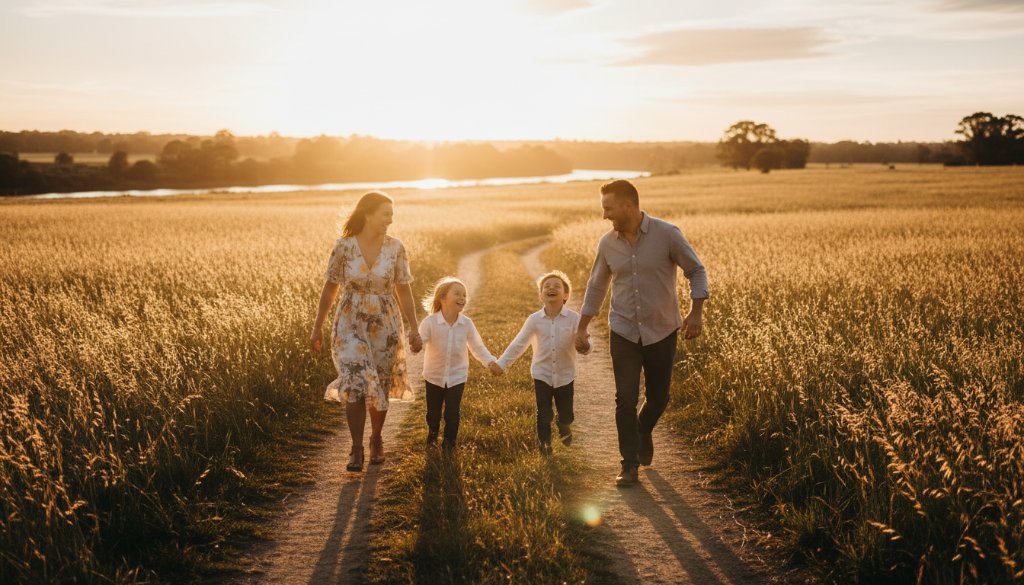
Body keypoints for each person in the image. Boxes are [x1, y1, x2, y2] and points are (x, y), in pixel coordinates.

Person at [575, 180, 708, 487]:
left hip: (662, 329)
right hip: (623, 330)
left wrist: (696, 311)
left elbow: (696, 270)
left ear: (628, 206)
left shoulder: (667, 234)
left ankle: (642, 428)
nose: (605, 215)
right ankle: (629, 464)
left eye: (609, 208)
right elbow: (597, 285)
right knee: (625, 397)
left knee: (659, 397)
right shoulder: (607, 243)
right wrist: (582, 326)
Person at [310, 191, 422, 472]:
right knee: (355, 383)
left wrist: (413, 328)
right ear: (368, 214)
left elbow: (404, 290)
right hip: (349, 323)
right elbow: (330, 288)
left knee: (380, 384)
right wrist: (317, 326)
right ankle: (356, 447)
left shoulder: (396, 248)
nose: (390, 220)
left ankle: (376, 439)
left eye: (392, 215)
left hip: (385, 324)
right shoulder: (344, 247)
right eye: (386, 214)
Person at [493, 270, 585, 456]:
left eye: (557, 286)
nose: (551, 288)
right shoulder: (534, 320)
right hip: (541, 374)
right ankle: (545, 445)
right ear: (541, 295)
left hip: (566, 375)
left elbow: (585, 343)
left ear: (566, 295)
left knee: (566, 414)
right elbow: (519, 343)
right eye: (546, 287)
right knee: (543, 414)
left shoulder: (574, 318)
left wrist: (585, 346)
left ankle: (563, 426)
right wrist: (502, 363)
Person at [415, 277, 500, 452]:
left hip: (457, 376)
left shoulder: (466, 324)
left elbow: (477, 347)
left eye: (464, 295)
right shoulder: (430, 323)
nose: (462, 298)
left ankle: (449, 444)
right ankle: (432, 436)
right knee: (433, 413)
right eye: (457, 294)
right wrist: (415, 345)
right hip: (434, 376)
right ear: (442, 298)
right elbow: (420, 343)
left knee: (452, 413)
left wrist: (490, 362)